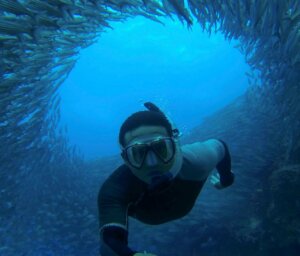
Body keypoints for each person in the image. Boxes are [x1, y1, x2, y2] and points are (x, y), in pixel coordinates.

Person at [98, 102, 235, 256]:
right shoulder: (115, 190)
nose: (151, 163)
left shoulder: (197, 160)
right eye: (138, 153)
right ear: (126, 159)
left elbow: (221, 147)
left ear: (175, 146)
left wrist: (227, 180)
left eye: (161, 148)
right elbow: (110, 242)